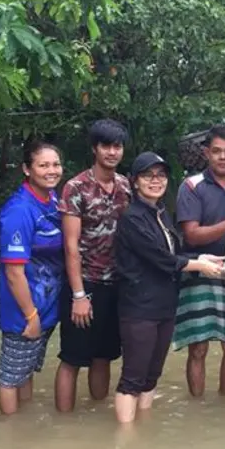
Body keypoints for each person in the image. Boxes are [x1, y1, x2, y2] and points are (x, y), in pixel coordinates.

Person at [114, 152, 224, 423]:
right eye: (147, 176)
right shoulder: (132, 218)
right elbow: (160, 258)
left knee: (152, 374)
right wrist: (199, 266)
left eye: (161, 175)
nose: (155, 181)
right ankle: (125, 437)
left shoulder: (161, 213)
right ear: (134, 181)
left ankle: (144, 426)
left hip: (164, 305)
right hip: (139, 307)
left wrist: (201, 257)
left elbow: (174, 252)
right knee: (133, 376)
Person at [173, 125, 225, 397]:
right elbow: (192, 235)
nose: (223, 157)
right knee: (198, 347)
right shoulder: (191, 186)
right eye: (217, 151)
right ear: (206, 153)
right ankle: (198, 407)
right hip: (197, 269)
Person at [54, 119, 132, 412]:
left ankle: (96, 418)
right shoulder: (76, 187)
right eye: (106, 146)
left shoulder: (125, 186)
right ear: (94, 149)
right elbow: (70, 245)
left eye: (117, 146)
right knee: (72, 358)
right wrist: (78, 295)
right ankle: (63, 425)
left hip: (116, 284)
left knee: (104, 356)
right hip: (84, 282)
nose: (112, 152)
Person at [0, 141, 64, 415]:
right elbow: (13, 272)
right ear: (27, 169)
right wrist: (30, 315)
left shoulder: (52, 199)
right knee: (11, 376)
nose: (51, 170)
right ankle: (10, 431)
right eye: (43, 165)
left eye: (55, 164)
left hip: (47, 303)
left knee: (26, 370)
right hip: (24, 309)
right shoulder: (19, 210)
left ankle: (25, 423)